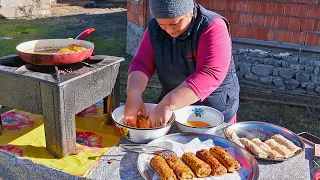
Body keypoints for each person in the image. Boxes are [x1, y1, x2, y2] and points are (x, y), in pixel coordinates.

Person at [124, 0, 240, 128]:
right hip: (174, 107)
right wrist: (133, 93)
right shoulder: (154, 28)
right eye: (162, 24)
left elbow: (210, 73)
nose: (169, 30)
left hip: (213, 109)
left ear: (189, 11)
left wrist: (168, 104)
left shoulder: (212, 26)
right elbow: (141, 63)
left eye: (174, 23)